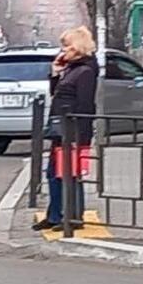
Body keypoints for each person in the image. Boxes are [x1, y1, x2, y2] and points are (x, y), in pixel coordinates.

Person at [32, 26, 98, 232]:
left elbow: (85, 105)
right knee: (53, 173)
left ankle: (73, 217)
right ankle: (54, 215)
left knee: (70, 175)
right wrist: (55, 73)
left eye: (66, 46)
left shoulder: (85, 71)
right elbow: (57, 94)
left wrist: (79, 136)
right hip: (61, 130)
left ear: (78, 47)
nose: (62, 51)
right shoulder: (71, 69)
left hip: (74, 133)